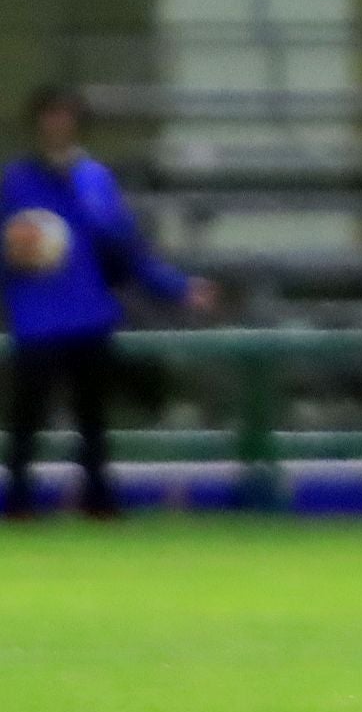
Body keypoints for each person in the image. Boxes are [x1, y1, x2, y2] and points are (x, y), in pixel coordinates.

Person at [2, 86, 214, 520]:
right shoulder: (16, 182)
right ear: (38, 122)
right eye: (50, 116)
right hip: (37, 317)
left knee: (93, 420)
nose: (58, 124)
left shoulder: (93, 179)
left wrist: (177, 287)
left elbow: (126, 248)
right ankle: (19, 506)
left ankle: (99, 504)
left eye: (65, 116)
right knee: (27, 420)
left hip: (89, 315)